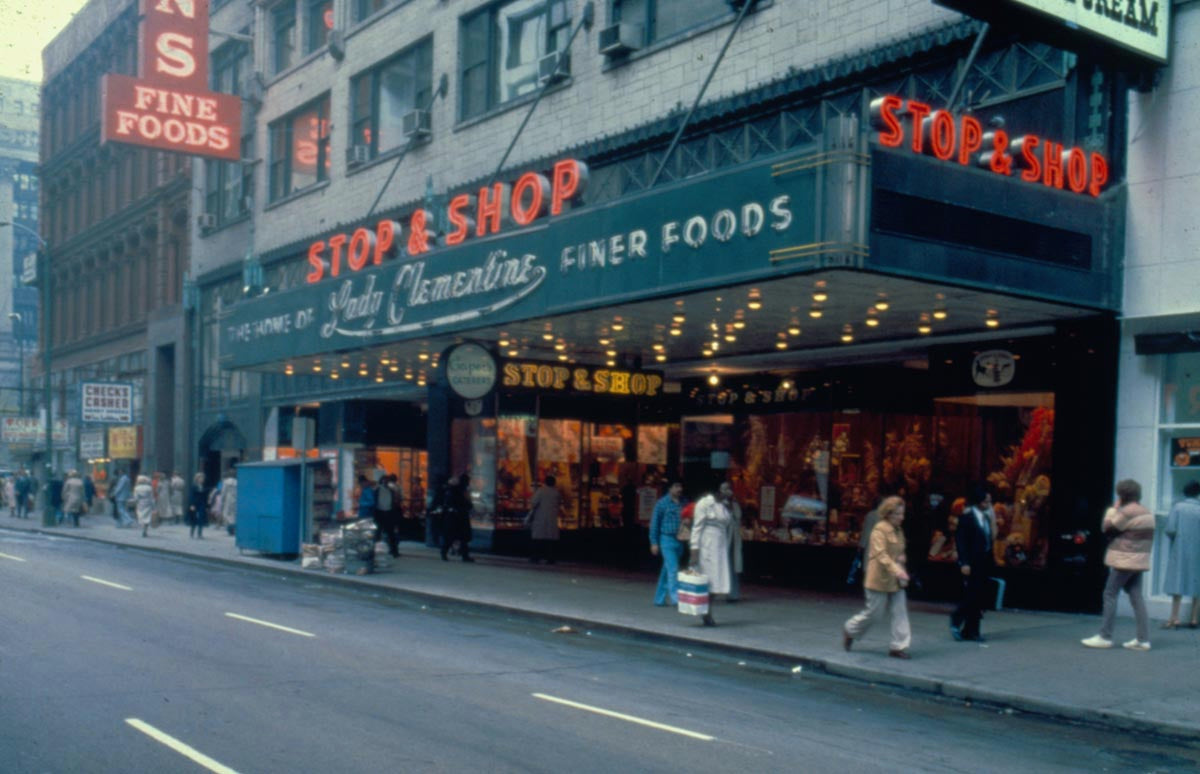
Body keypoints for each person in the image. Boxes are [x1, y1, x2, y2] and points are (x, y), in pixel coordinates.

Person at [1083, 479, 1156, 650]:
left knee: (1110, 593)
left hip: (1124, 558)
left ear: (1122, 495)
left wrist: (1112, 510)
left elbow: (1107, 528)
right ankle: (1143, 639)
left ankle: (1105, 636)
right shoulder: (1146, 512)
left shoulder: (1126, 512)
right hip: (1139, 558)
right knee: (1136, 596)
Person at [842, 496, 912, 658]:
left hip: (895, 578)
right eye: (897, 514)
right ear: (888, 514)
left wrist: (901, 557)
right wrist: (897, 569)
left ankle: (898, 647)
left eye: (902, 514)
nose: (901, 517)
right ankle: (850, 629)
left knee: (900, 611)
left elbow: (899, 549)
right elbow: (881, 554)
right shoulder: (879, 530)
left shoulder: (898, 530)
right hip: (879, 577)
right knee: (874, 613)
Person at [689, 481, 743, 626]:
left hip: (720, 545)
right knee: (709, 580)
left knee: (719, 581)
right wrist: (695, 549)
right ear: (717, 490)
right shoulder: (704, 503)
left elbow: (734, 519)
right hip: (707, 544)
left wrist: (730, 505)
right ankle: (706, 612)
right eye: (725, 489)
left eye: (730, 489)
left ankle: (706, 608)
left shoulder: (724, 505)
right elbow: (697, 527)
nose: (728, 492)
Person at [950, 484, 995, 642]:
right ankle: (957, 617)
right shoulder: (967, 518)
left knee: (979, 597)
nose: (988, 504)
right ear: (978, 501)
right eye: (986, 501)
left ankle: (971, 630)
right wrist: (964, 562)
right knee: (972, 595)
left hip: (984, 562)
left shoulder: (986, 518)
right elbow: (961, 541)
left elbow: (988, 539)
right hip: (972, 562)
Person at [1162, 480, 1200, 630]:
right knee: (1197, 581)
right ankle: (1194, 618)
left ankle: (1174, 618)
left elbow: (1170, 529)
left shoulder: (1178, 507)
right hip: (1198, 550)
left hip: (1180, 548)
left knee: (1177, 581)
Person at [649, 481, 685, 606]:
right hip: (667, 539)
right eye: (676, 486)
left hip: (680, 540)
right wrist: (654, 542)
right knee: (673, 568)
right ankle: (676, 598)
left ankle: (659, 599)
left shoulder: (683, 502)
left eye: (680, 486)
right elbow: (655, 524)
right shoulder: (662, 503)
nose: (679, 489)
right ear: (670, 488)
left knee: (667, 569)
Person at [526, 474, 562, 564]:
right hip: (552, 518)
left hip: (540, 517)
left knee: (538, 539)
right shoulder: (556, 492)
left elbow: (533, 503)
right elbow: (559, 504)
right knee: (550, 540)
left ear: (545, 482)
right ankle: (551, 558)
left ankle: (535, 557)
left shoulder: (541, 491)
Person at [441, 473, 474, 562]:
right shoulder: (460, 491)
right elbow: (465, 503)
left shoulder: (453, 490)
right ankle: (464, 555)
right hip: (458, 516)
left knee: (452, 536)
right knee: (461, 537)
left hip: (454, 516)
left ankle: (445, 553)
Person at [376, 474, 401, 558]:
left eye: (387, 480)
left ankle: (394, 551)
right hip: (380, 513)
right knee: (378, 533)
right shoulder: (377, 490)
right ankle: (373, 551)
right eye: (384, 480)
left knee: (391, 533)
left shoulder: (391, 490)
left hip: (389, 513)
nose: (385, 482)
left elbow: (394, 501)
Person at [187, 472, 208, 539]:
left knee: (201, 518)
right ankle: (192, 532)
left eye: (203, 478)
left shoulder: (203, 486)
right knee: (194, 518)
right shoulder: (194, 486)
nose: (202, 479)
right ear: (197, 479)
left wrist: (206, 505)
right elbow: (191, 496)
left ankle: (200, 533)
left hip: (201, 504)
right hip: (195, 504)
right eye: (200, 478)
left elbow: (204, 496)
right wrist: (191, 505)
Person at [220, 464, 238, 536]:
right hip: (236, 499)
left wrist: (222, 500)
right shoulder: (238, 482)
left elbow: (223, 492)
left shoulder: (226, 482)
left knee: (226, 514)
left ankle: (230, 529)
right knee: (234, 514)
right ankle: (233, 528)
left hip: (228, 498)